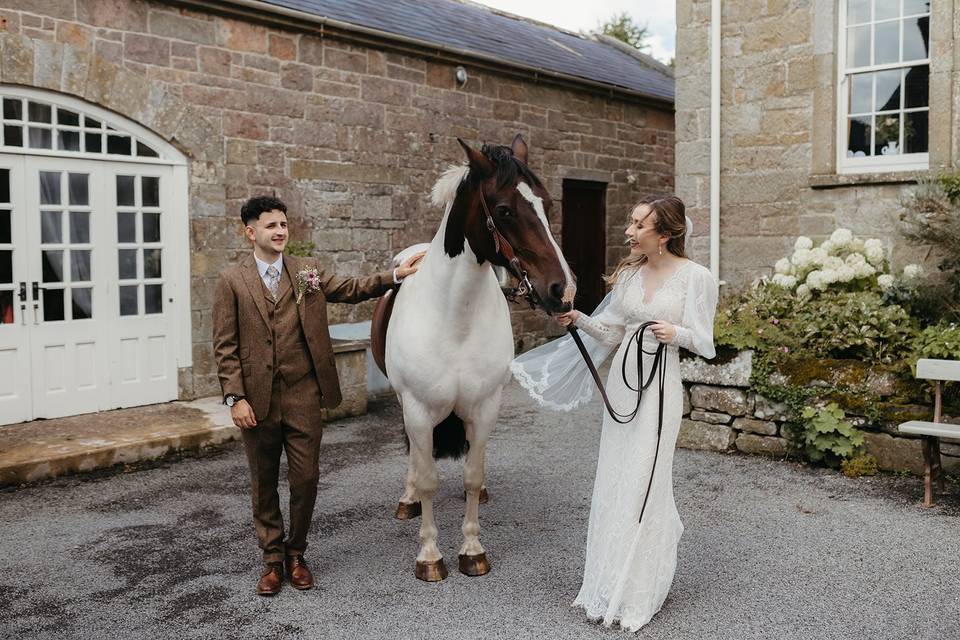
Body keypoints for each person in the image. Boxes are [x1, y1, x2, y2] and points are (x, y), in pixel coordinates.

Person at [511, 195, 718, 631]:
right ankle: (605, 585)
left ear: (664, 235)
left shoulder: (697, 278)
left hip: (661, 388)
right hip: (624, 385)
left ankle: (638, 590)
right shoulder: (629, 275)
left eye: (639, 224)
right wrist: (580, 320)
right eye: (631, 221)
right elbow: (612, 332)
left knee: (646, 481)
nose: (629, 230)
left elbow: (706, 341)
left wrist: (676, 332)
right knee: (616, 478)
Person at [212, 195, 421, 596]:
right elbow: (225, 346)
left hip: (303, 393)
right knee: (264, 481)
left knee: (306, 478)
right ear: (250, 232)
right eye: (271, 226)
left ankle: (296, 554)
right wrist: (234, 398)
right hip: (256, 400)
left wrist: (395, 275)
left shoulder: (307, 272)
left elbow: (350, 288)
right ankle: (272, 561)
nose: (280, 232)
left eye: (284, 225)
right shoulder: (232, 280)